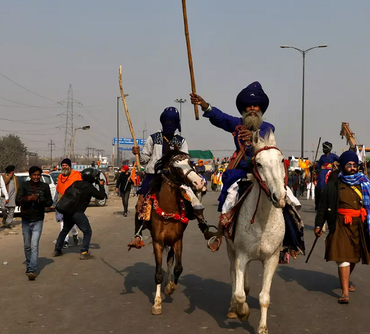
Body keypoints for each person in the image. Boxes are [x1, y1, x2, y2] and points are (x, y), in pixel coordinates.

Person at [191, 82, 305, 256]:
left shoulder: (268, 128)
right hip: (242, 173)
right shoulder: (237, 124)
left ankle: (291, 240)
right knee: (229, 199)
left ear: (261, 109)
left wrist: (252, 137)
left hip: (265, 173)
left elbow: (264, 142)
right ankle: (220, 235)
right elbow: (220, 117)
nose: (252, 108)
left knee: (288, 199)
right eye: (248, 106)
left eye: (255, 105)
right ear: (243, 109)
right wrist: (204, 104)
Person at [314, 150, 370, 304]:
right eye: (349, 165)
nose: (352, 167)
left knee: (354, 257)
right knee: (343, 257)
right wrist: (318, 225)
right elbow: (323, 207)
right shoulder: (333, 186)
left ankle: (346, 280)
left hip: (359, 225)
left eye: (355, 165)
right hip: (340, 225)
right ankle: (345, 292)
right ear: (342, 166)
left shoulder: (364, 183)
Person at [129, 107, 204, 247]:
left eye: (172, 121)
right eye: (166, 121)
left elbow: (185, 159)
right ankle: (138, 234)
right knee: (140, 202)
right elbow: (145, 160)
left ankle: (202, 223)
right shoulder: (153, 138)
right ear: (162, 122)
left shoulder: (181, 141)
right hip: (154, 177)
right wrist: (137, 153)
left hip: (174, 178)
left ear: (176, 124)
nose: (169, 123)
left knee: (192, 198)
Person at [53, 167, 106, 259]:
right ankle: (84, 252)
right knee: (87, 231)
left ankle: (57, 250)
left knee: (65, 230)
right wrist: (101, 186)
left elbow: (66, 192)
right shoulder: (89, 187)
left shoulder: (76, 183)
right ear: (91, 177)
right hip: (78, 212)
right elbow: (101, 196)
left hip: (68, 210)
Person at [17, 166, 53, 280]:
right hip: (26, 219)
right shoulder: (24, 186)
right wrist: (29, 198)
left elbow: (49, 201)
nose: (36, 177)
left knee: (34, 245)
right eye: (34, 175)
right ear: (30, 175)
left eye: (38, 175)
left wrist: (39, 199)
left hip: (38, 219)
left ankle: (32, 269)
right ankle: (29, 265)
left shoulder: (44, 186)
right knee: (27, 245)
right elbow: (17, 200)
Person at [56, 158, 81, 247]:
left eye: (66, 165)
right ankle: (65, 240)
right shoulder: (60, 176)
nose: (64, 167)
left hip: (73, 202)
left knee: (72, 221)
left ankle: (75, 234)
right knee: (62, 221)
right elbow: (58, 189)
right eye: (63, 165)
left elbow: (80, 188)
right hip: (62, 202)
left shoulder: (76, 175)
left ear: (69, 166)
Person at [315, 142, 341, 209]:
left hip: (330, 172)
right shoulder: (322, 157)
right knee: (319, 185)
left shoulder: (333, 156)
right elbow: (318, 165)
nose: (324, 149)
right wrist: (315, 167)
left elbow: (340, 159)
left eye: (325, 148)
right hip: (322, 172)